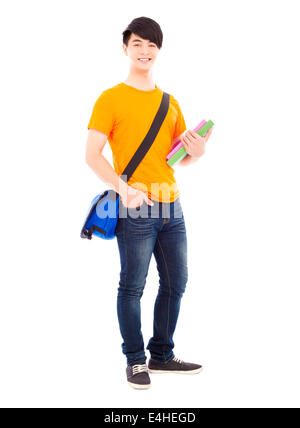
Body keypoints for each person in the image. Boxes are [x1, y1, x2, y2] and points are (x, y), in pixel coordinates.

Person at [85, 17, 213, 390]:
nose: (144, 51)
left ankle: (161, 354)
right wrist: (125, 190)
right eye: (138, 43)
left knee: (177, 282)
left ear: (158, 51)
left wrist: (198, 151)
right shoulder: (110, 98)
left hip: (171, 206)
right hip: (136, 206)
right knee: (133, 286)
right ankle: (135, 361)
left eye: (151, 45)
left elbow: (178, 158)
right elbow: (92, 156)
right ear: (126, 47)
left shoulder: (170, 103)